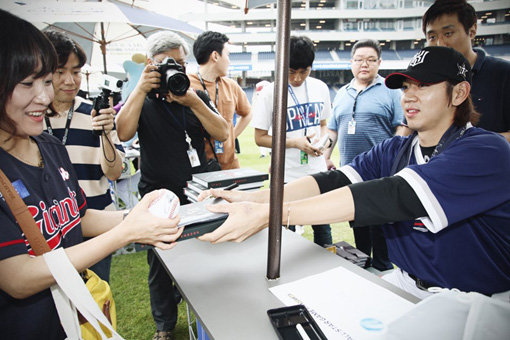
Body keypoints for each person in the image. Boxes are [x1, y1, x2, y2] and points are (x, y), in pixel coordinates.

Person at [198, 46, 510, 300]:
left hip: (477, 301)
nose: (409, 96)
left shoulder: (486, 150)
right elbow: (331, 181)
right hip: (405, 287)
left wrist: (271, 214)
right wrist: (249, 198)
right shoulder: (395, 149)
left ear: (458, 93)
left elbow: (393, 194)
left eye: (424, 85)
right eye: (406, 86)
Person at [0, 9, 183, 339]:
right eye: (28, 83)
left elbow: (78, 217)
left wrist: (136, 216)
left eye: (45, 81)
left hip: (75, 320)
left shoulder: (49, 145)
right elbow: (18, 278)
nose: (45, 96)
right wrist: (126, 232)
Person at [115, 30, 229, 340]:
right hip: (157, 191)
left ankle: (208, 313)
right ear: (152, 63)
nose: (177, 69)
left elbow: (222, 133)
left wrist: (192, 100)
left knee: (206, 254)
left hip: (198, 189)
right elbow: (123, 133)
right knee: (160, 261)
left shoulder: (191, 92)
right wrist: (140, 89)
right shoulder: (141, 97)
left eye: (181, 62)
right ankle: (164, 326)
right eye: (169, 63)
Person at [43, 30, 125, 282]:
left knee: (97, 298)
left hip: (97, 225)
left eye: (76, 72)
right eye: (60, 72)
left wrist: (104, 133)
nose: (70, 80)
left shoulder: (96, 113)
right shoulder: (28, 118)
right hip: (48, 229)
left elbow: (115, 173)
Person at [324, 39, 404, 271]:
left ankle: (383, 269)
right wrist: (327, 155)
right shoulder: (342, 94)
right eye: (359, 60)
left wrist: (394, 158)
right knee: (358, 221)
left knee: (381, 225)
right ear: (351, 63)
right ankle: (362, 268)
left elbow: (401, 127)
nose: (364, 64)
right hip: (350, 172)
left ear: (379, 62)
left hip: (381, 173)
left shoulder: (391, 91)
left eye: (370, 60)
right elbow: (332, 129)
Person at [251, 36, 332, 247]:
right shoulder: (269, 93)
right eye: (291, 71)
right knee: (286, 232)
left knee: (323, 227)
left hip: (317, 171)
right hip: (286, 175)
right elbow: (260, 138)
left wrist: (323, 142)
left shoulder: (320, 88)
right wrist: (294, 143)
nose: (297, 78)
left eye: (303, 71)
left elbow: (323, 123)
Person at [422, 0, 510, 142]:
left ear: (472, 31)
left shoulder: (503, 74)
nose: (440, 44)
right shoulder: (426, 80)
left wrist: (470, 143)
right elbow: (408, 128)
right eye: (432, 37)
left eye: (448, 33)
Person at [188, 31, 252, 169]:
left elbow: (247, 113)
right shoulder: (186, 86)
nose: (229, 60)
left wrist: (231, 135)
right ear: (215, 56)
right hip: (199, 169)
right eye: (227, 55)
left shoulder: (231, 86)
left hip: (231, 167)